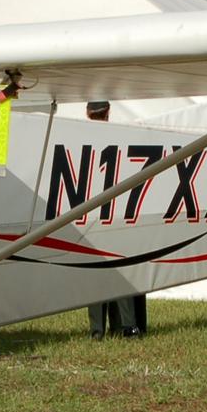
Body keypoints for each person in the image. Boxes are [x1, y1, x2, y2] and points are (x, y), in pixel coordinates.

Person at [83, 100, 147, 337]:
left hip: (89, 217)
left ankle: (97, 330)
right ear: (108, 112)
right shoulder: (121, 137)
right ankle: (127, 326)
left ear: (87, 113)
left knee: (95, 274)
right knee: (121, 272)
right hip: (117, 214)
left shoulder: (78, 138)